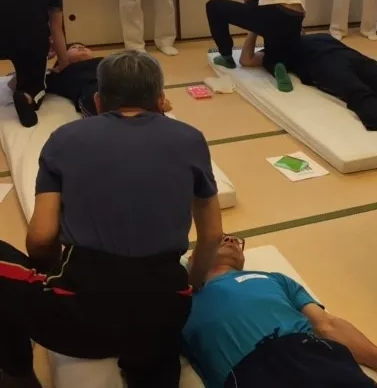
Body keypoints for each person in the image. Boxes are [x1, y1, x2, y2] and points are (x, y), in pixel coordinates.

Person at [0, 51, 223, 388]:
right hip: (163, 316)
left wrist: (48, 272)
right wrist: (193, 283)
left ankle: (17, 375)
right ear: (161, 100)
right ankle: (148, 368)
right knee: (151, 346)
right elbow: (211, 236)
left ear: (98, 101)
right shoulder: (191, 139)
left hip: (80, 321)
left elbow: (41, 238)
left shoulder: (65, 138)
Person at [182, 235, 377, 388]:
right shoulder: (179, 302)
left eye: (235, 239)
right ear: (194, 259)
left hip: (310, 352)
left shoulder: (274, 278)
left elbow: (327, 324)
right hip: (246, 372)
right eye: (220, 238)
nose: (230, 239)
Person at [239, 32, 377, 141]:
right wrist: (253, 31)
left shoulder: (321, 35)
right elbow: (246, 60)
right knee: (356, 90)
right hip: (322, 66)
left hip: (351, 56)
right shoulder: (277, 50)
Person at [0, 0, 68, 128]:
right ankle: (28, 96)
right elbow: (56, 26)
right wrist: (64, 63)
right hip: (30, 41)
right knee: (33, 85)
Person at [7, 43, 173, 117]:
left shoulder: (105, 60)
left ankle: (153, 105)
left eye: (84, 47)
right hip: (92, 92)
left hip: (120, 82)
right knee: (100, 101)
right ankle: (26, 102)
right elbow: (17, 81)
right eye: (73, 47)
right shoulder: (61, 72)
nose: (80, 47)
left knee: (136, 86)